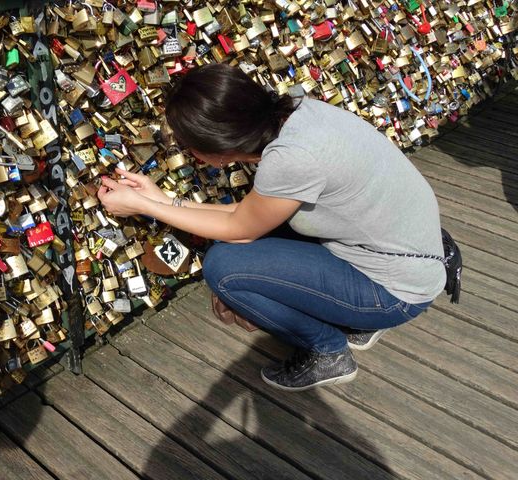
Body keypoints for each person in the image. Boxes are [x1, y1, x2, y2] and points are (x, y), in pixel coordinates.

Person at [97, 63, 446, 392]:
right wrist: (160, 200)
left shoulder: (291, 158)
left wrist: (144, 207)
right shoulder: (300, 115)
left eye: (188, 147)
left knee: (225, 269)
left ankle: (329, 351)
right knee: (242, 252)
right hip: (405, 258)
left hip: (395, 292)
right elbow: (250, 212)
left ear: (215, 151)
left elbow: (241, 228)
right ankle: (355, 320)